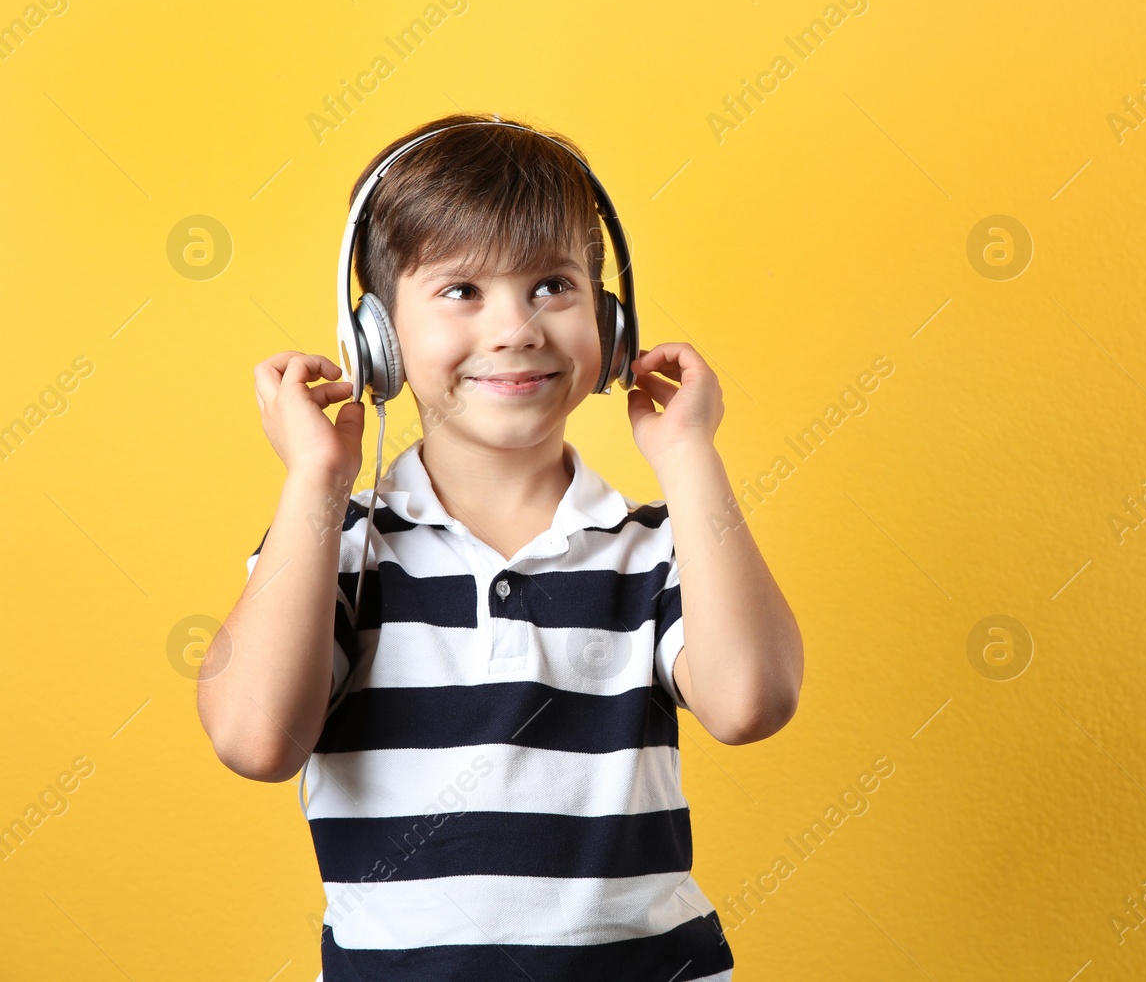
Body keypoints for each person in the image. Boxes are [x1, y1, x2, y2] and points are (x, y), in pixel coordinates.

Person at [196, 113, 803, 980]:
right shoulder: (340, 544)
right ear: (375, 339)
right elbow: (254, 739)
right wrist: (314, 482)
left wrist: (689, 457)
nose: (516, 327)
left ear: (612, 324)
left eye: (553, 285)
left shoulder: (658, 548)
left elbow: (753, 703)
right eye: (461, 290)